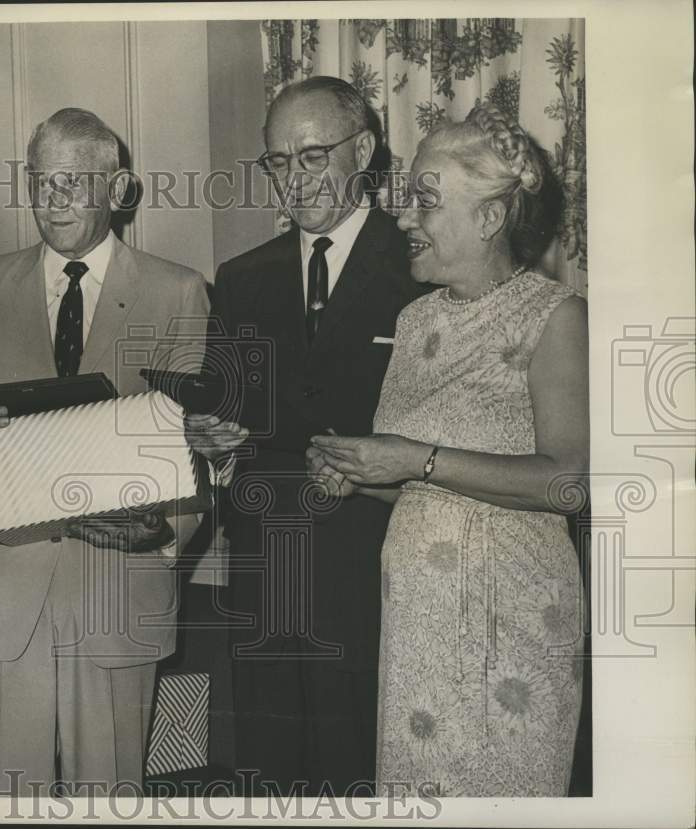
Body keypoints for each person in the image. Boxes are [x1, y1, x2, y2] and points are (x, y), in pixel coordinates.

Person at [308, 104, 588, 796]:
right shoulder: (414, 319)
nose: (405, 218)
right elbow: (417, 481)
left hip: (514, 623)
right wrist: (360, 473)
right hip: (415, 626)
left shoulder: (556, 317)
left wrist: (414, 456)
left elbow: (568, 483)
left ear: (489, 218)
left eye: (426, 202)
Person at [0, 108, 209, 795]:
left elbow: (196, 447)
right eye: (40, 182)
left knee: (109, 795)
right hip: (6, 594)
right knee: (2, 797)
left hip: (119, 589)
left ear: (117, 191)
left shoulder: (179, 291)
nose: (52, 200)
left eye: (73, 182)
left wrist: (163, 534)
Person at [185, 76, 423, 795]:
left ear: (365, 149)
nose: (296, 178)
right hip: (263, 575)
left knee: (363, 769)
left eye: (313, 154)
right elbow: (219, 423)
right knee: (268, 767)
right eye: (278, 161)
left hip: (377, 573)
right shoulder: (241, 276)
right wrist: (211, 439)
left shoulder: (421, 269)